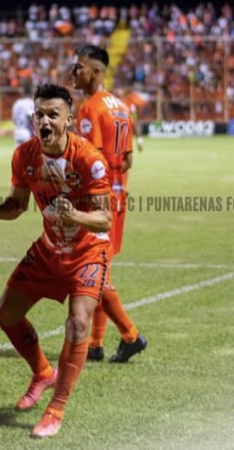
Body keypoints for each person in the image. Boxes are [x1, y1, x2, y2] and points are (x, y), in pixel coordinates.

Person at [0, 83, 111, 438]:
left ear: (69, 119)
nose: (45, 121)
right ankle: (42, 372)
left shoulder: (88, 159)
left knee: (78, 324)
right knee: (6, 313)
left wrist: (76, 218)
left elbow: (104, 220)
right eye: (39, 114)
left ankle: (56, 409)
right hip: (49, 249)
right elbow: (17, 205)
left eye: (53, 114)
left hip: (87, 252)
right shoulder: (24, 155)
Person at [71, 45, 147, 363]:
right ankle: (96, 343)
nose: (74, 73)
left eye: (80, 68)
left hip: (99, 198)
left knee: (95, 271)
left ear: (96, 72)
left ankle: (130, 336)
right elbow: (127, 160)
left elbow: (92, 160)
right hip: (119, 196)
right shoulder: (121, 107)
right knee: (102, 267)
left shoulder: (90, 108)